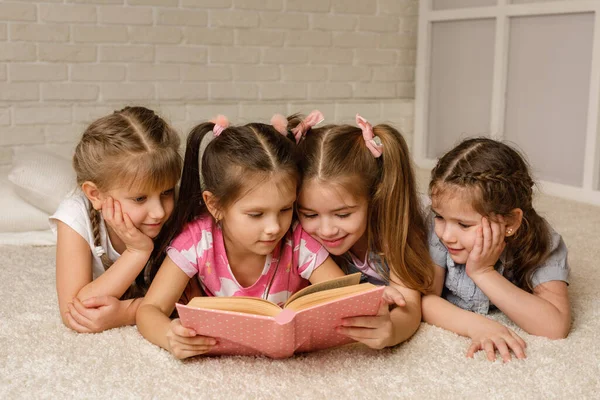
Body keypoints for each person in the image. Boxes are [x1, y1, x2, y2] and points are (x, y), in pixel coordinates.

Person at [136, 116, 347, 360]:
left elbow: (344, 298)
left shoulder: (296, 240)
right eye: (256, 214)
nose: (274, 228)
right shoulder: (197, 241)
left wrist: (377, 302)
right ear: (214, 205)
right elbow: (149, 310)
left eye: (285, 209)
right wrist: (168, 335)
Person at [293, 112, 435, 350]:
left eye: (343, 214)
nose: (327, 230)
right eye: (310, 214)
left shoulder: (396, 228)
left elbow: (410, 306)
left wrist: (392, 331)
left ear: (374, 198)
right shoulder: (296, 232)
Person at [421, 137, 571, 362]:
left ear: (510, 222)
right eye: (440, 217)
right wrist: (475, 325)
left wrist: (483, 272)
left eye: (464, 225)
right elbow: (424, 300)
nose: (446, 235)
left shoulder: (543, 241)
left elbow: (555, 327)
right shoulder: (438, 231)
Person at [49, 106, 183, 333]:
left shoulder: (182, 209)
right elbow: (75, 311)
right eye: (140, 198)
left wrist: (127, 313)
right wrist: (137, 251)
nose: (159, 212)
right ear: (95, 194)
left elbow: (198, 301)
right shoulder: (74, 215)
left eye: (167, 192)